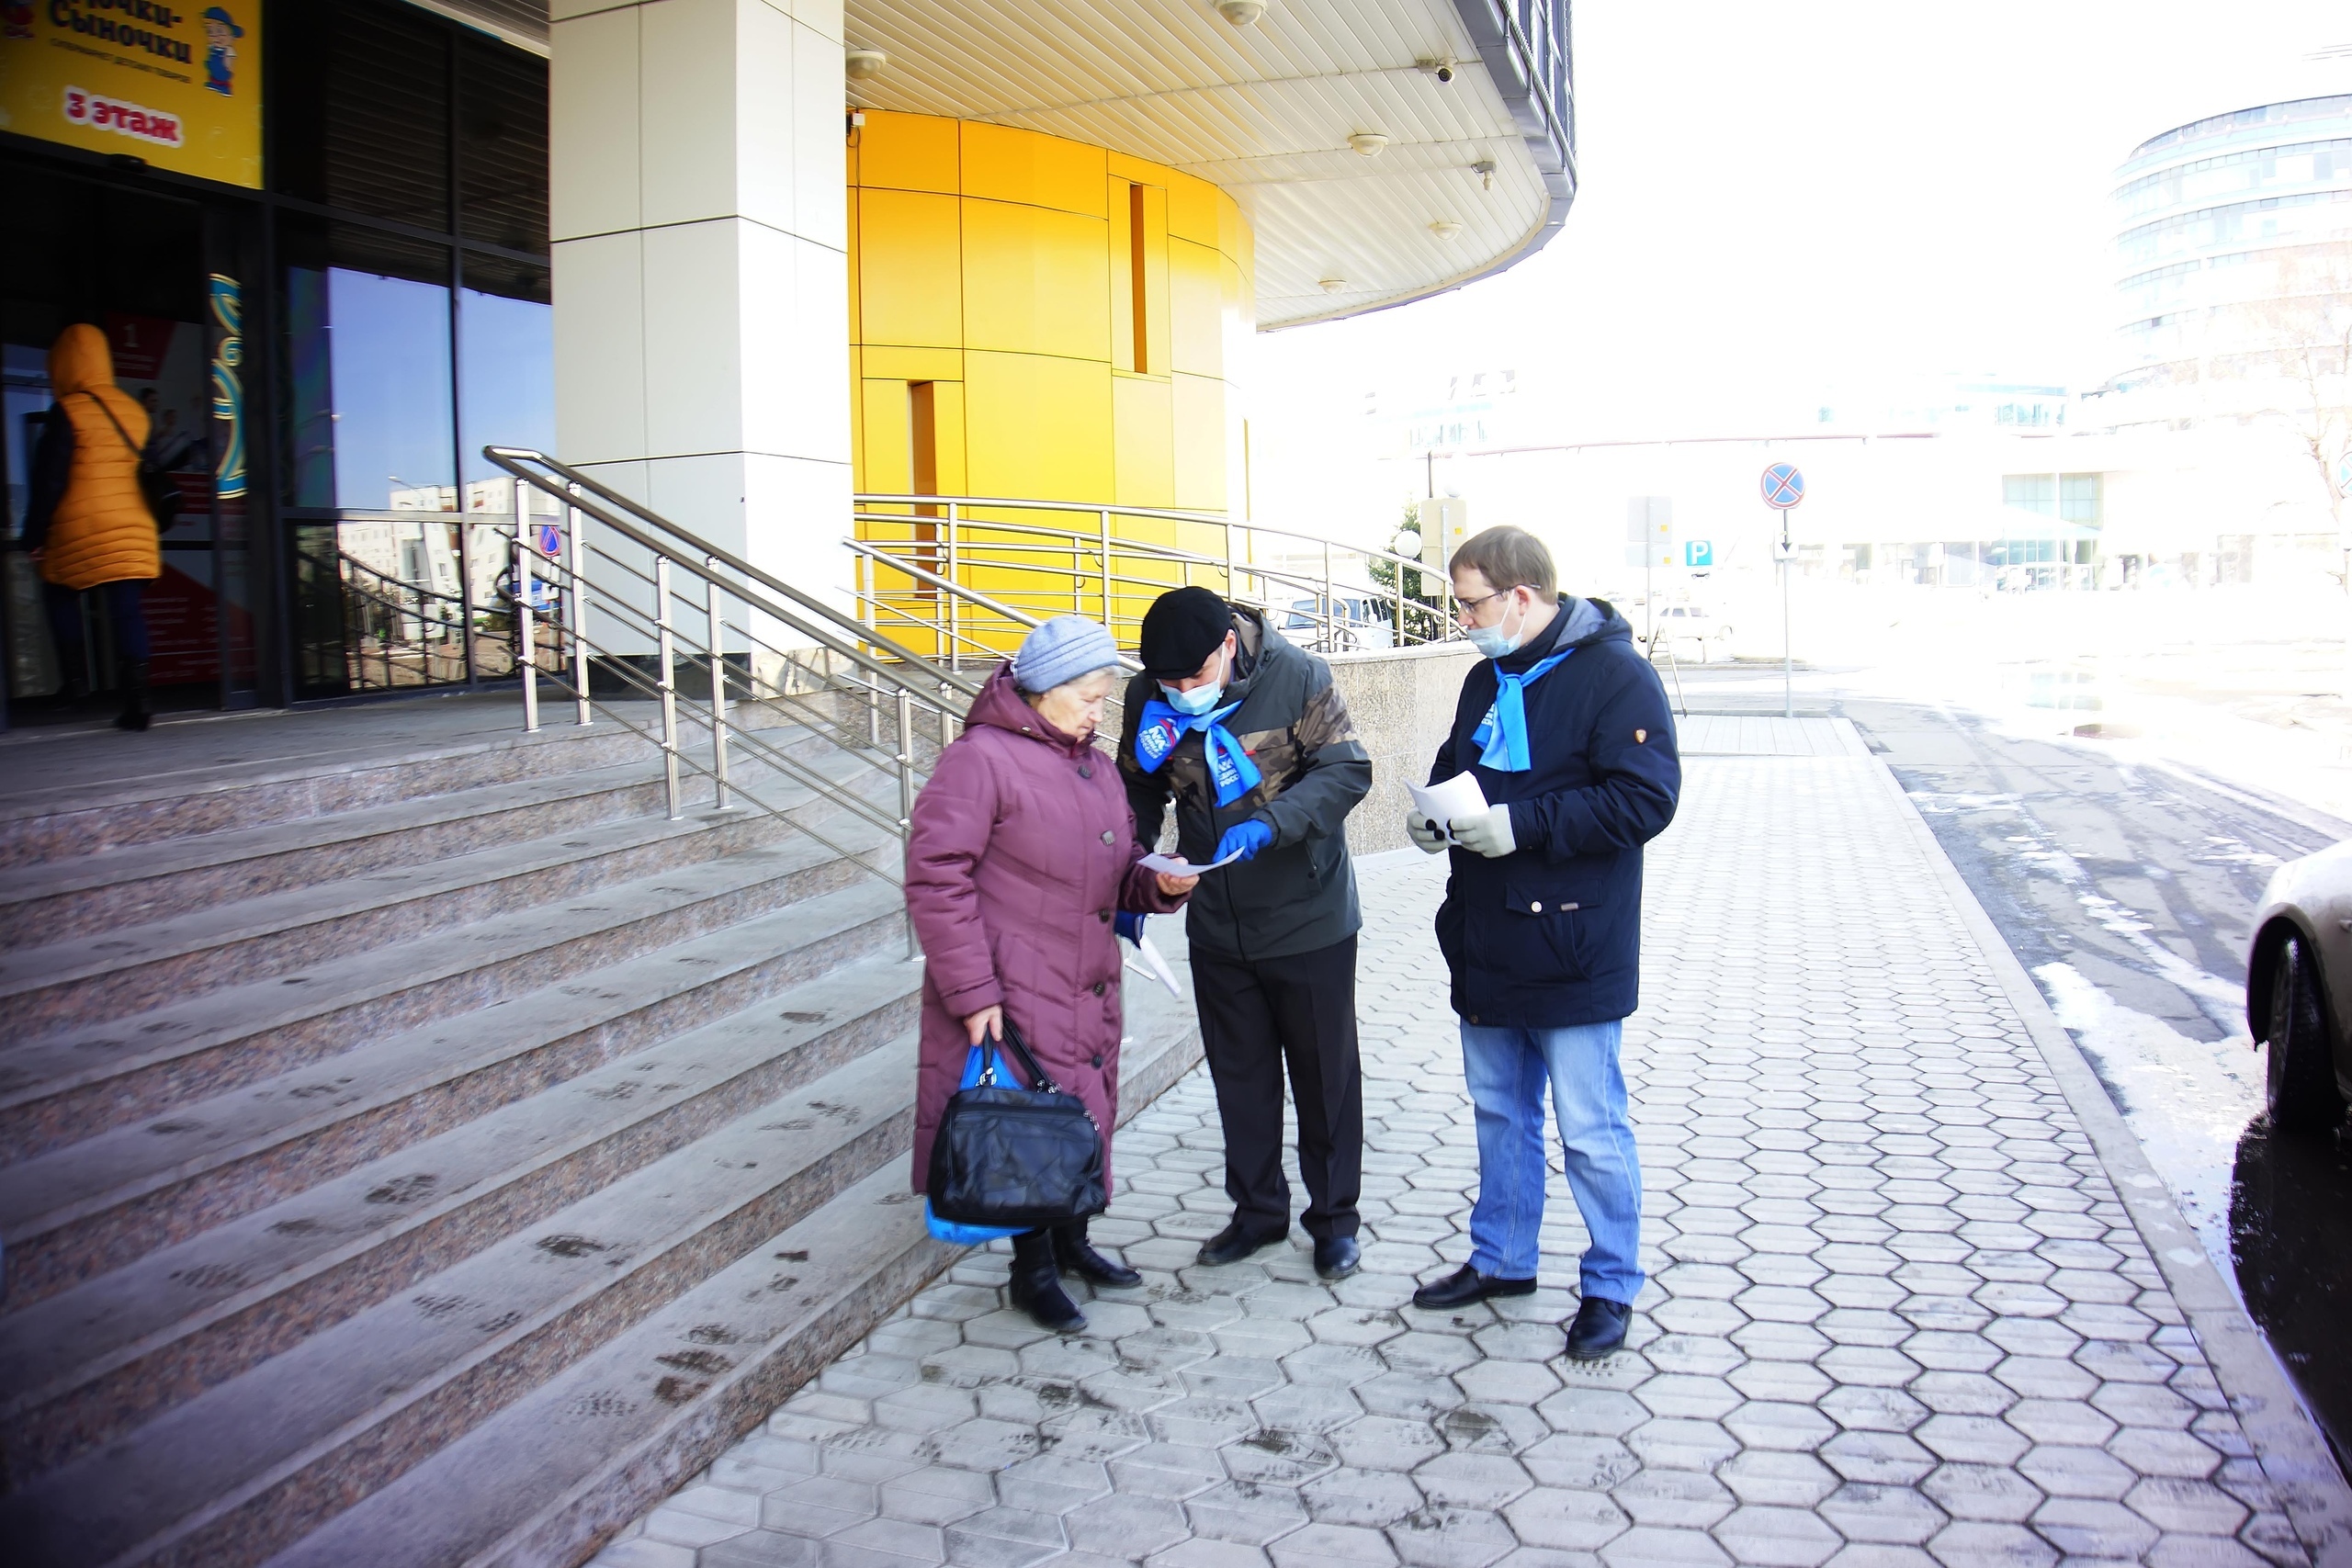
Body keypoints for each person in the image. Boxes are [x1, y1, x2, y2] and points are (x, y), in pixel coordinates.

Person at [1407, 526, 1679, 1359]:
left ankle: (1611, 1284)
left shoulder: (1617, 675)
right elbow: (1459, 769)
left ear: (1521, 597)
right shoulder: (1485, 678)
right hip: (1488, 934)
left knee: (1591, 1128)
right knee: (1500, 1112)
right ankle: (1502, 1259)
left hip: (1573, 940)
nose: (1463, 620)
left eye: (1471, 604)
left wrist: (1522, 825)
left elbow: (1645, 800)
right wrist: (1433, 818)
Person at [904, 615, 1198, 1333]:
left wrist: (1157, 883)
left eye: (1104, 697)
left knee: (1078, 1115)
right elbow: (936, 877)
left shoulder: (1094, 766)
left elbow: (1116, 870)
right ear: (1044, 689)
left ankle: (1073, 1242)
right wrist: (971, 989)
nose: (1100, 712)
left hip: (1084, 980)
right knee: (1028, 1126)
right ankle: (1030, 1271)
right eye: (1089, 697)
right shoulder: (980, 760)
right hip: (1013, 985)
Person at [1120, 586, 1373, 1280]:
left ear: (1229, 644)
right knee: (1242, 1078)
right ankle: (1258, 1212)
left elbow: (1346, 771)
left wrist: (1274, 823)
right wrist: (1139, 858)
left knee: (1324, 1078)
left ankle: (1334, 1221)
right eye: (1169, 684)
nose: (1182, 694)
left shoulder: (1298, 676)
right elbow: (1137, 784)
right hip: (1217, 922)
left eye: (1195, 677)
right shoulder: (1148, 692)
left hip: (1308, 915)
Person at [23, 324, 163, 730]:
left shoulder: (67, 411)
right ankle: (138, 703)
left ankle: (75, 683)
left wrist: (33, 537)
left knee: (58, 591)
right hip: (133, 525)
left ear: (63, 365)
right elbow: (151, 469)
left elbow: (50, 481)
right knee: (127, 611)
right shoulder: (134, 411)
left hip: (80, 525)